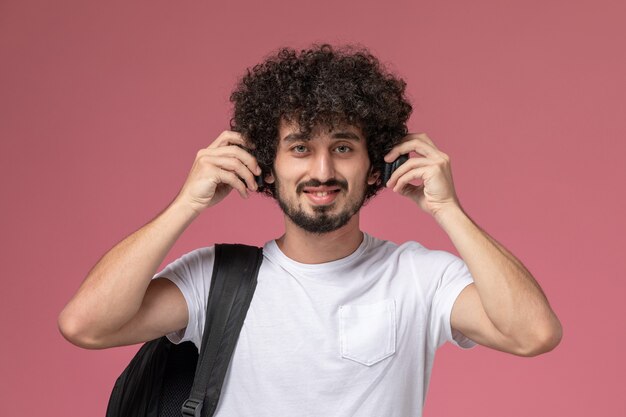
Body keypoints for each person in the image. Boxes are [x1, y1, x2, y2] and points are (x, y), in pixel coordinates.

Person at [58, 44, 562, 416]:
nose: (321, 171)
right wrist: (184, 206)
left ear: (373, 167)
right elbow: (86, 325)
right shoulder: (216, 280)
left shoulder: (419, 278)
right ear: (268, 166)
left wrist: (449, 209)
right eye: (300, 148)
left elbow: (533, 334)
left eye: (342, 147)